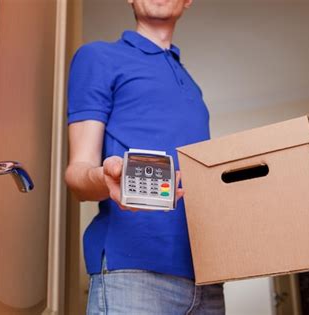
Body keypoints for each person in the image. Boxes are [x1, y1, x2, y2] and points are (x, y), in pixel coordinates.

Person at [65, 0, 225, 313]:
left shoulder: (194, 89)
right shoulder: (98, 57)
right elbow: (77, 173)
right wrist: (103, 177)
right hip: (132, 273)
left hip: (206, 279)